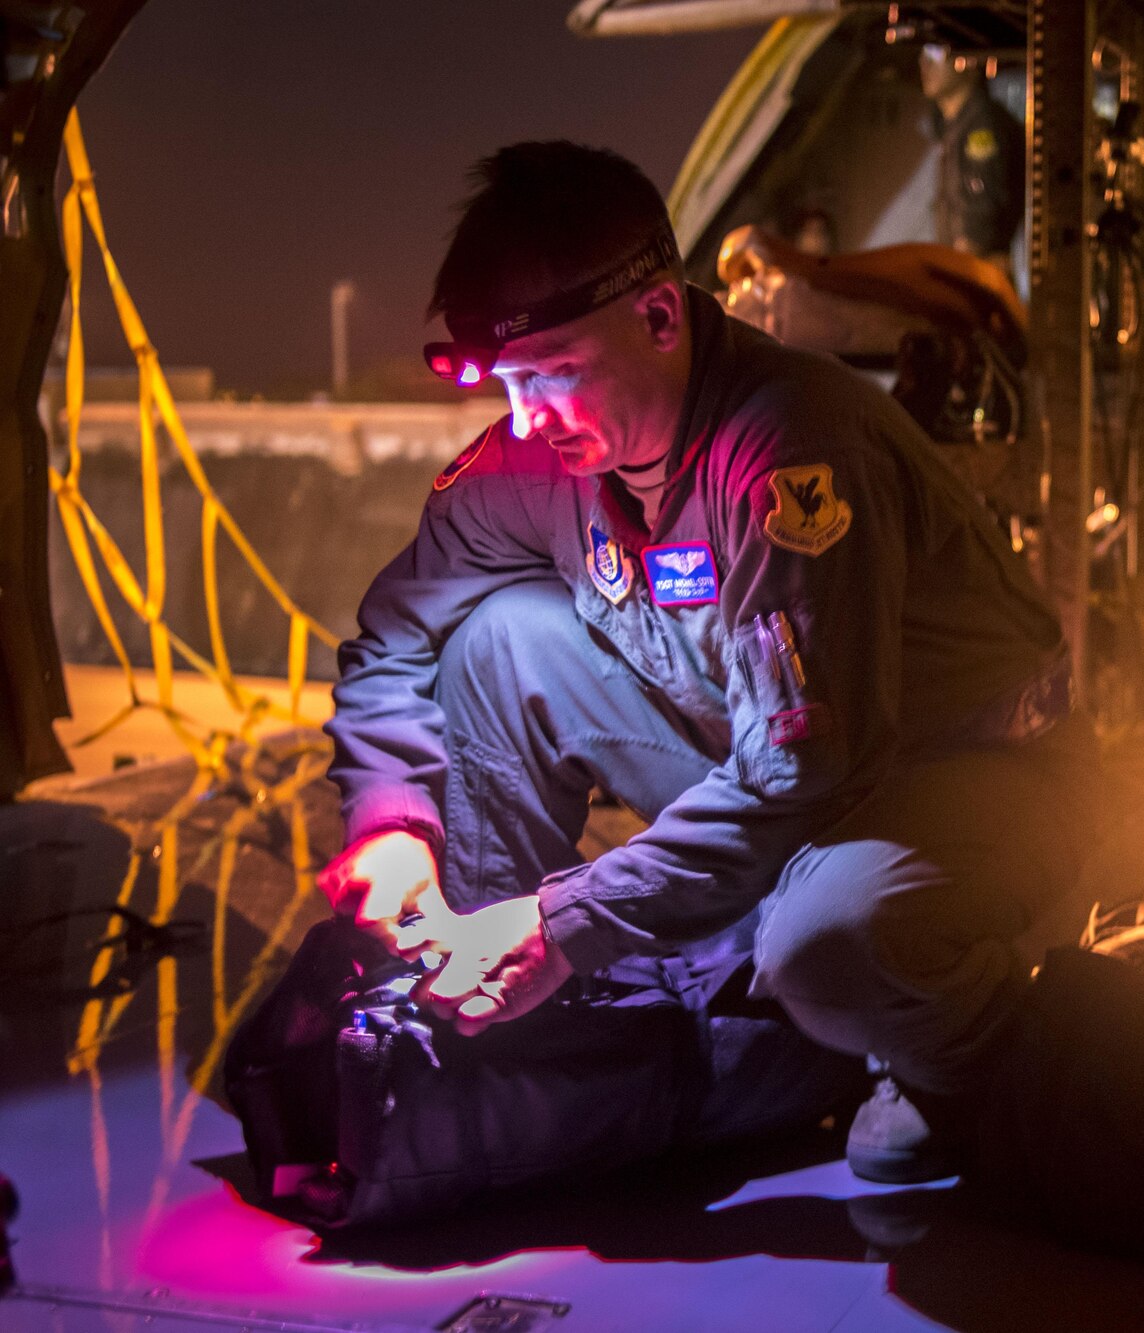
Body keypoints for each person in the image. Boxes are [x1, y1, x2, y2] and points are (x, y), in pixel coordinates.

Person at [318, 141, 1093, 1184]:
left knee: (826, 943)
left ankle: (971, 1052)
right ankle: (490, 996)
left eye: (552, 372)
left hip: (958, 783)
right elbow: (395, 636)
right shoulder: (531, 456)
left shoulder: (789, 447)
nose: (526, 417)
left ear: (659, 318)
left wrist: (567, 923)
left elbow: (804, 771)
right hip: (764, 762)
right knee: (499, 640)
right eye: (507, 380)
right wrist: (389, 826)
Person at [920, 44, 1025, 269]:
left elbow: (981, 205)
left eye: (936, 54)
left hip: (977, 269)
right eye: (923, 56)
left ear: (968, 62)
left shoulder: (982, 125)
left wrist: (964, 263)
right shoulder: (952, 128)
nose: (925, 64)